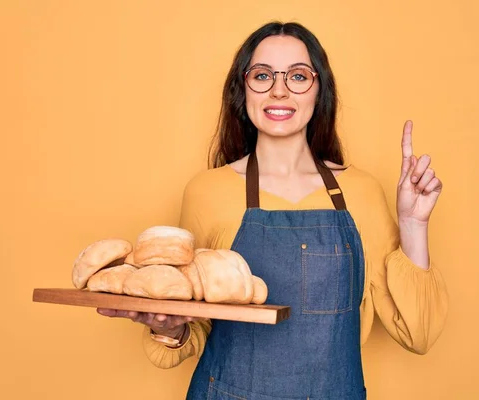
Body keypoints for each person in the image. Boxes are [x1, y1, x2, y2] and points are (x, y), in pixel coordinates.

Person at [97, 21, 449, 399]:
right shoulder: (207, 191)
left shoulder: (361, 192)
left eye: (298, 76)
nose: (279, 90)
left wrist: (414, 224)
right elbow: (193, 323)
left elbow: (419, 334)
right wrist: (169, 328)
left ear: (319, 91)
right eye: (263, 75)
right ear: (243, 89)